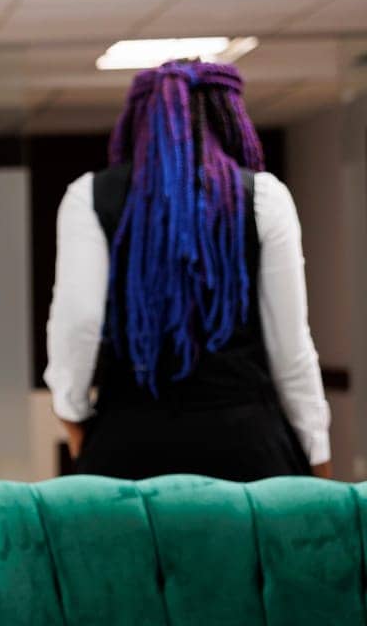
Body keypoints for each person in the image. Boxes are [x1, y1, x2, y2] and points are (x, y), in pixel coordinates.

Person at [45, 60, 330, 480]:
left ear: (138, 121)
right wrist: (316, 453)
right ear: (229, 117)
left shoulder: (89, 196)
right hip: (248, 447)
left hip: (128, 445)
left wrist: (74, 418)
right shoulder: (264, 197)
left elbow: (79, 324)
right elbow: (291, 350)